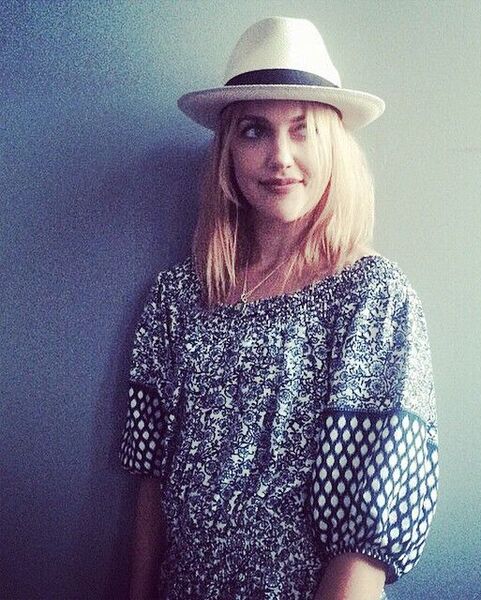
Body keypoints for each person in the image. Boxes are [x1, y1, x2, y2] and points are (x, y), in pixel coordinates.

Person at [119, 16, 439, 600]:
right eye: (254, 131)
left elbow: (368, 541)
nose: (280, 157)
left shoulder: (373, 299)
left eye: (301, 130)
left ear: (333, 146)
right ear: (227, 152)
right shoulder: (176, 298)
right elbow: (151, 483)